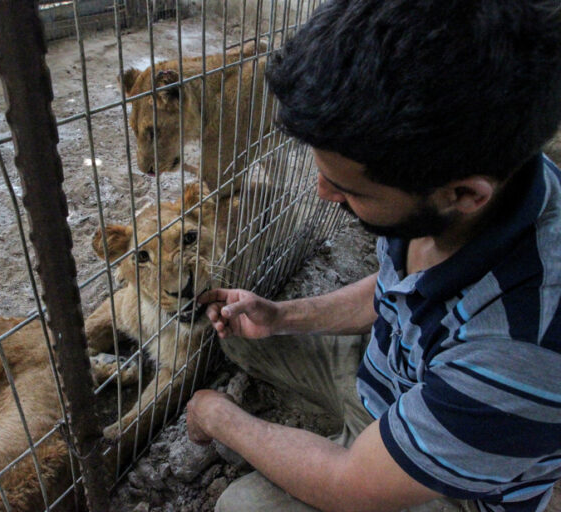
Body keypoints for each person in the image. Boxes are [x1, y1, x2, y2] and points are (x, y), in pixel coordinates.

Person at [187, 1, 561, 511]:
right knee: (243, 339)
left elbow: (350, 485)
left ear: (463, 194)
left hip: (449, 487)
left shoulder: (525, 346)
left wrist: (217, 416)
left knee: (241, 507)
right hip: (389, 376)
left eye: (348, 189)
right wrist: (282, 315)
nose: (322, 193)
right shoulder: (450, 176)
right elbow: (398, 288)